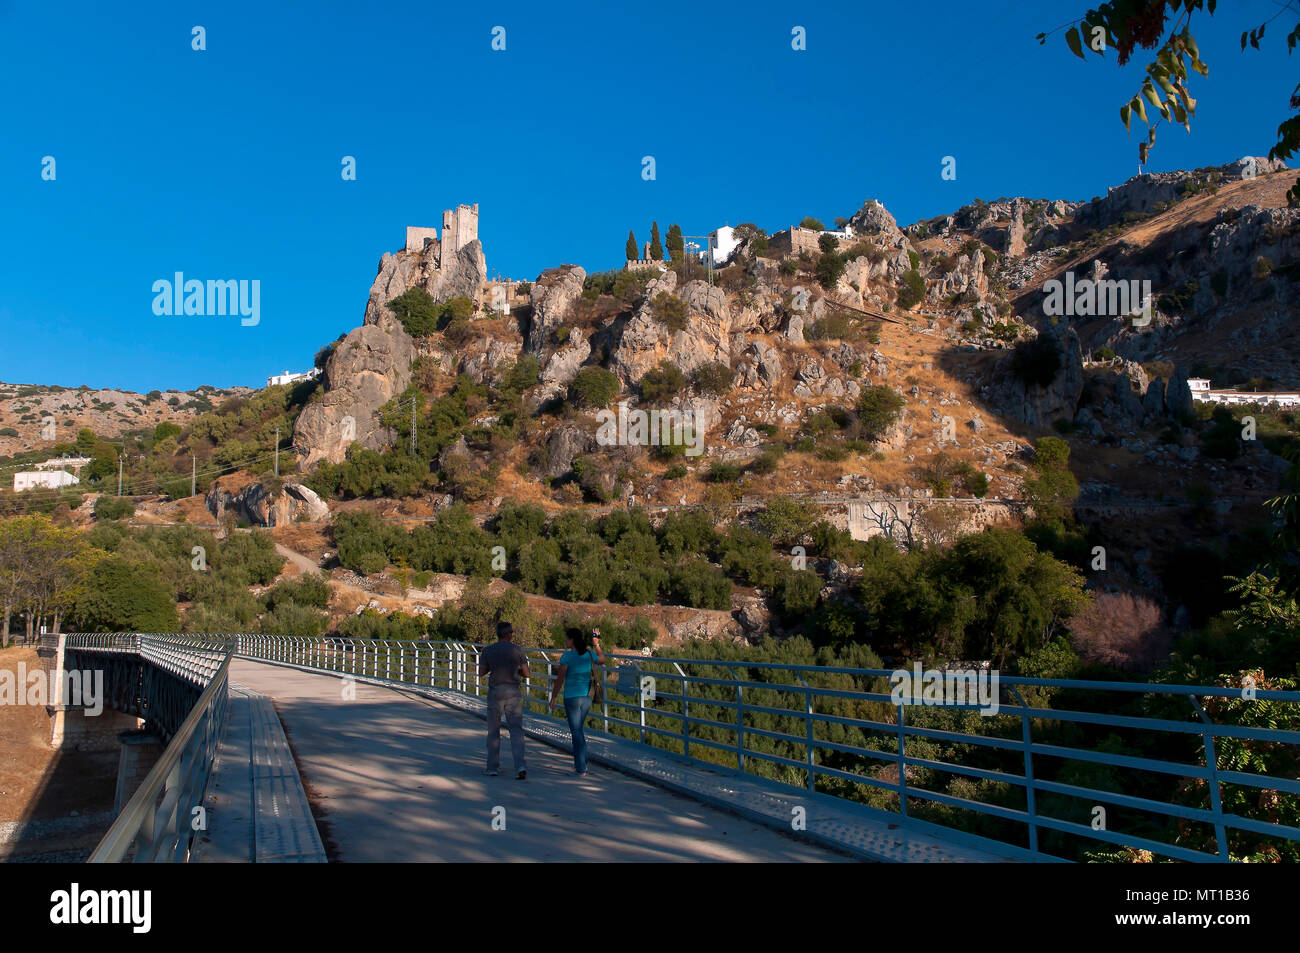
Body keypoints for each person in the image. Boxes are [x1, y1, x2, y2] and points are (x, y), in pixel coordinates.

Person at [548, 626, 605, 776]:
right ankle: (583, 762)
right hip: (586, 697)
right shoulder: (588, 654)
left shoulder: (567, 657)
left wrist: (553, 697)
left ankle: (580, 768)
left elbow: (560, 679)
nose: (565, 641)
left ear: (572, 640)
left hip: (571, 698)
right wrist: (596, 643)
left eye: (567, 638)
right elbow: (602, 659)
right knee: (578, 730)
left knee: (576, 732)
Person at [478, 621, 531, 780]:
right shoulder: (517, 650)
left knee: (494, 730)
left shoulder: (488, 650)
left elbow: (481, 672)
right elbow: (527, 673)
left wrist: (492, 668)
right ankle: (520, 765)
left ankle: (492, 767)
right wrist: (517, 671)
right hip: (513, 693)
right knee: (516, 730)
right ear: (509, 634)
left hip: (495, 692)